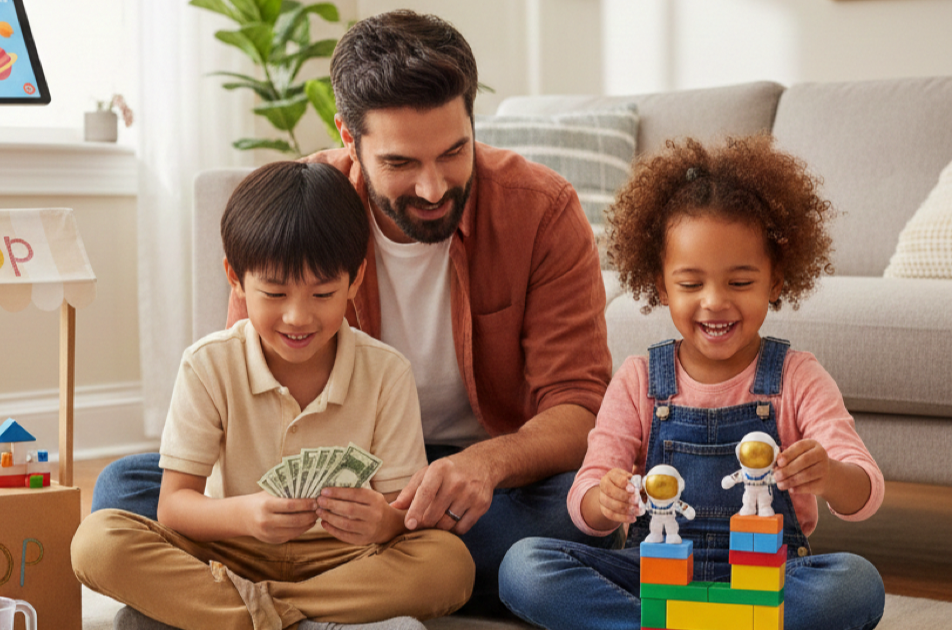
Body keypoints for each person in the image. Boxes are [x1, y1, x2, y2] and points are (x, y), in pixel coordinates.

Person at [92, 10, 615, 614]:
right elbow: (243, 366)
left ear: (473, 120)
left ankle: (230, 605)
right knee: (123, 489)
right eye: (399, 163)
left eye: (453, 152)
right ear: (348, 135)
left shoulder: (541, 210)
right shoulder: (299, 209)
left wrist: (486, 464)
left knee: (574, 516)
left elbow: (579, 409)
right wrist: (254, 508)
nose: (432, 187)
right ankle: (342, 604)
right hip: (317, 496)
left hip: (470, 483)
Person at [497, 136, 886, 630]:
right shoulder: (640, 379)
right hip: (654, 572)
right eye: (690, 283)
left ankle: (664, 625)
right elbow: (585, 503)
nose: (715, 301)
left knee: (856, 582)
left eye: (740, 282)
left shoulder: (797, 377)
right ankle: (718, 624)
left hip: (768, 577)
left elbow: (865, 491)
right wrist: (606, 499)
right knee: (525, 566)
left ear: (777, 280)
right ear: (660, 285)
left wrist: (828, 474)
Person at [72, 162, 474, 630]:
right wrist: (246, 515)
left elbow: (399, 514)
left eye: (323, 294)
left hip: (342, 561)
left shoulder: (386, 373)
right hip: (231, 550)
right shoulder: (209, 365)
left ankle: (252, 615)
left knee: (449, 563)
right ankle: (305, 620)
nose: (298, 317)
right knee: (98, 541)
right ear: (236, 279)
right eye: (275, 293)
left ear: (356, 280)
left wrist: (381, 521)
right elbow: (174, 505)